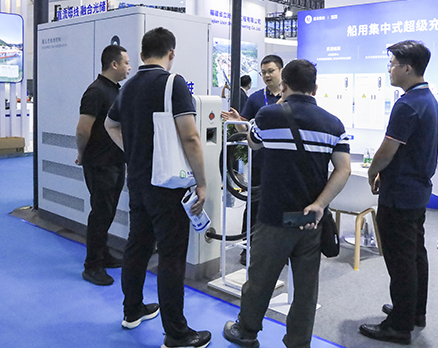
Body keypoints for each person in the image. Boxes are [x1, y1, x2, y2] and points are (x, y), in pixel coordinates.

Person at [222, 59, 351, 348]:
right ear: (315, 88)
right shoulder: (334, 124)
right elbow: (343, 169)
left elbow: (253, 143)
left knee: (260, 280)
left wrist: (277, 104)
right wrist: (320, 204)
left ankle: (247, 331)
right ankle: (298, 342)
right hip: (311, 219)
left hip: (273, 217)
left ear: (284, 84)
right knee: (306, 289)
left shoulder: (268, 115)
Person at [105, 27, 211, 348]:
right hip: (169, 184)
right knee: (171, 256)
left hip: (138, 181)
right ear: (171, 53)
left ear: (141, 55)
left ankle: (132, 310)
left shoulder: (128, 86)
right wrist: (202, 182)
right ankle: (176, 334)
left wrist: (134, 152)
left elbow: (111, 124)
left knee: (137, 246)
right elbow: (190, 137)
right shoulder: (173, 83)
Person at [360, 40, 438, 346]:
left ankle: (398, 326)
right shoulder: (427, 99)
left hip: (399, 193)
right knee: (415, 253)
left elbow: (387, 149)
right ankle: (414, 311)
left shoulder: (407, 104)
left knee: (400, 260)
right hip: (416, 191)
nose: (389, 70)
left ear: (407, 68)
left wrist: (372, 171)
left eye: (392, 64)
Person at [75, 44, 130, 286]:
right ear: (114, 64)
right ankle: (92, 265)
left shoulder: (115, 91)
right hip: (99, 163)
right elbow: (82, 129)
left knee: (108, 211)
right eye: (126, 62)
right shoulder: (96, 91)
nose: (129, 67)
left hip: (115, 161)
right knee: (100, 213)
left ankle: (103, 253)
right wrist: (81, 154)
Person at [221, 55, 284, 265]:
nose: (267, 75)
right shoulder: (256, 98)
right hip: (259, 161)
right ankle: (248, 248)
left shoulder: (290, 97)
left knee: (281, 205)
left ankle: (279, 250)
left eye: (271, 71)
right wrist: (237, 121)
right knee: (254, 205)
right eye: (263, 72)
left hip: (284, 163)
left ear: (281, 71)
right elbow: (245, 130)